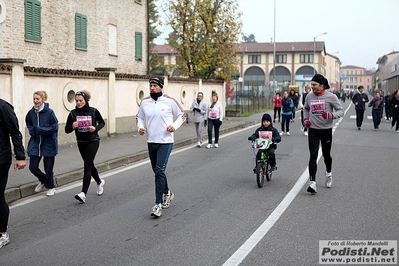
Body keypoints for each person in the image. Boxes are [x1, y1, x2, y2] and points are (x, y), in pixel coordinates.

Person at [136, 77, 186, 217]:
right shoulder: (145, 102)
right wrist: (140, 127)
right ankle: (167, 192)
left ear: (161, 87)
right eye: (150, 86)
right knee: (158, 171)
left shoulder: (169, 101)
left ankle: (157, 204)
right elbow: (139, 117)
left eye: (155, 86)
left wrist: (174, 126)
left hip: (166, 141)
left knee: (158, 171)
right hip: (151, 141)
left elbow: (183, 115)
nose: (152, 88)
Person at [303, 74, 344, 194]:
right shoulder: (309, 97)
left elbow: (341, 111)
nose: (312, 87)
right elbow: (305, 109)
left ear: (321, 85)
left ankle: (328, 173)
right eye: (311, 85)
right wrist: (305, 120)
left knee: (326, 155)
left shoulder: (331, 96)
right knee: (313, 154)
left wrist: (331, 115)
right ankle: (312, 183)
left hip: (326, 130)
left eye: (314, 85)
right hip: (313, 130)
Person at [65, 90, 106, 203]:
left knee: (87, 166)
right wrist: (72, 126)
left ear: (86, 100)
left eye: (81, 101)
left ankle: (83, 193)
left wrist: (95, 128)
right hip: (81, 142)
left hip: (93, 141)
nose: (78, 103)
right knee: (90, 164)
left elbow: (102, 122)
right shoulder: (73, 114)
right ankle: (99, 182)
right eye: (77, 101)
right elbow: (67, 130)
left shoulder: (93, 111)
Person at [0, 98, 26, 249]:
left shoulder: (3, 106)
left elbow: (15, 132)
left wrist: (20, 156)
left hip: (1, 158)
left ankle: (3, 234)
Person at [25, 91, 58, 197]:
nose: (35, 101)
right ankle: (43, 179)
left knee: (48, 167)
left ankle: (51, 186)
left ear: (43, 99)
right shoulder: (31, 113)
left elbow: (55, 127)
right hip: (35, 142)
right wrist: (32, 130)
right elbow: (29, 122)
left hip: (48, 143)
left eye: (37, 99)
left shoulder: (49, 112)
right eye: (34, 99)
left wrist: (40, 129)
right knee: (32, 166)